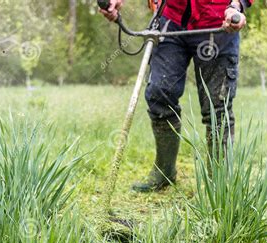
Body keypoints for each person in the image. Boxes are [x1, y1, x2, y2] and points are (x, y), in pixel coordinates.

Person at [101, 0, 252, 192]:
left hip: (219, 23)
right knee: (159, 93)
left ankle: (219, 186)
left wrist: (236, 6)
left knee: (217, 107)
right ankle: (164, 172)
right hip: (171, 20)